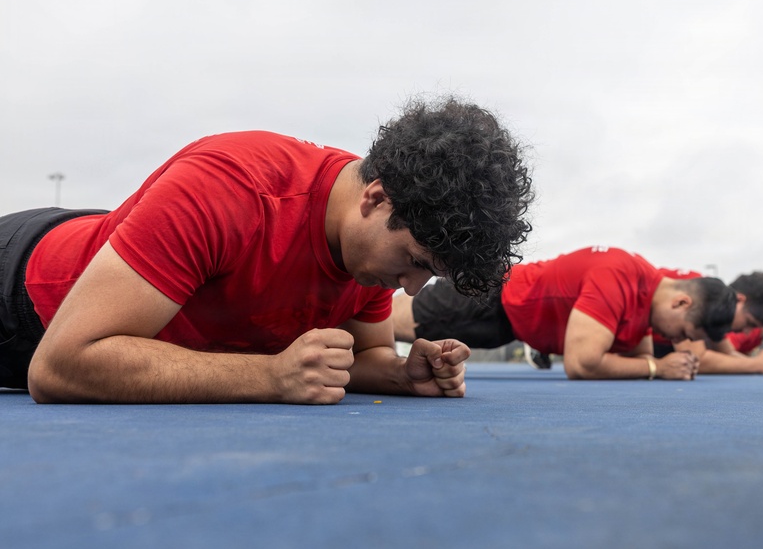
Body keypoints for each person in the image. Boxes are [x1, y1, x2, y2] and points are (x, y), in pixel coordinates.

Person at [0, 97, 534, 404]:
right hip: (24, 296)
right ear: (375, 198)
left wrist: (400, 373)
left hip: (111, 263)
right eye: (417, 262)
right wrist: (269, 376)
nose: (412, 288)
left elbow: (363, 354)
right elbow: (59, 368)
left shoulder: (366, 249)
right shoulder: (230, 188)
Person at [392, 246, 737, 381]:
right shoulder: (620, 276)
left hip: (517, 325)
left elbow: (635, 356)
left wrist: (654, 365)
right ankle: (341, 307)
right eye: (685, 333)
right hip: (495, 298)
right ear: (680, 303)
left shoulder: (647, 300)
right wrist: (659, 367)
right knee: (390, 323)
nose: (678, 342)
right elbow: (582, 364)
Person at [663, 271, 763, 375]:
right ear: (739, 300)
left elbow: (727, 353)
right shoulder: (699, 292)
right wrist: (758, 364)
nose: (747, 332)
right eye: (749, 323)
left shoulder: (716, 306)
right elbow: (697, 360)